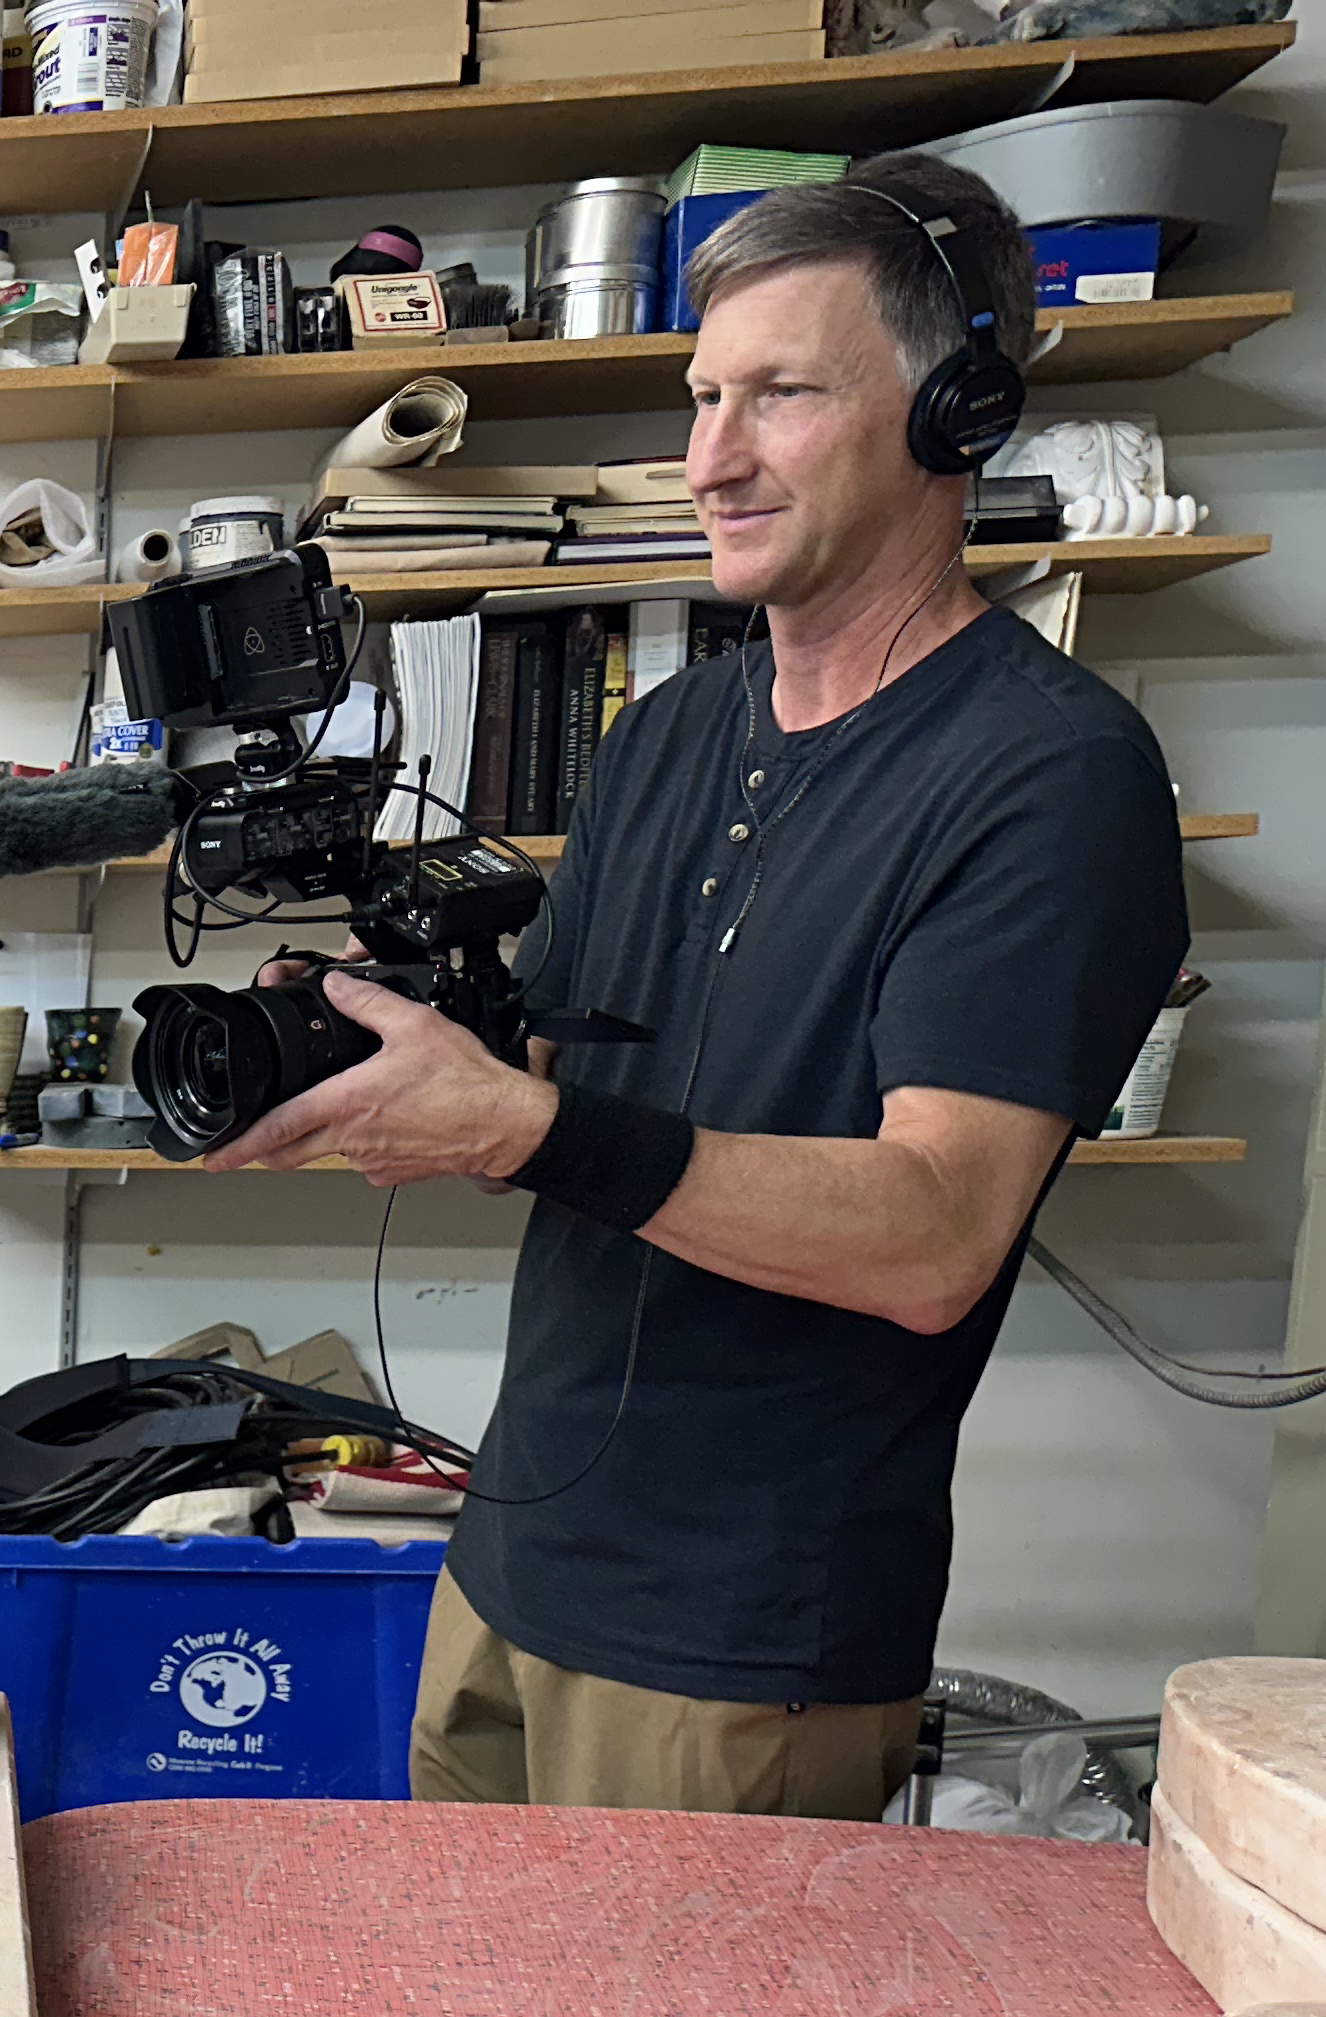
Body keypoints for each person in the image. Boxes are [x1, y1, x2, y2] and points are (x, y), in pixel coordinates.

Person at [202, 156, 1182, 1815]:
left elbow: (935, 1237)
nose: (712, 459)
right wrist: (388, 1050)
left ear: (953, 416)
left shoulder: (1052, 773)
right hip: (509, 1561)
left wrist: (521, 1131)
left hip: (743, 1644)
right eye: (703, 397)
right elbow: (564, 1080)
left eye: (781, 396)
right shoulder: (667, 733)